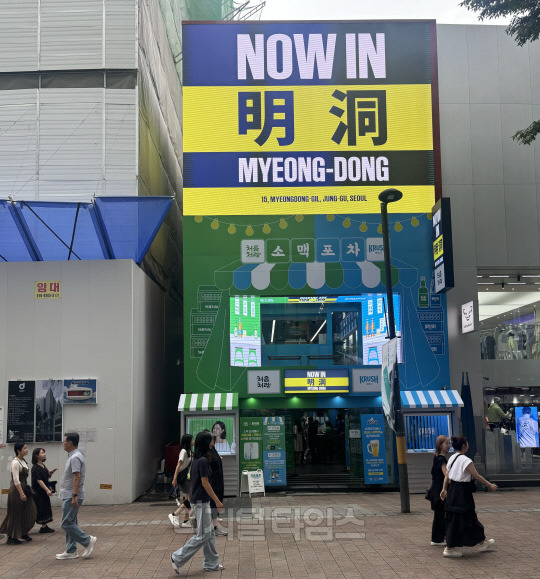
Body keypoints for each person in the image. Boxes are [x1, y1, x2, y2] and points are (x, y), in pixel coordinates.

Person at [171, 431, 224, 574]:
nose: (213, 443)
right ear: (207, 443)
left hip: (200, 500)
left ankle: (211, 563)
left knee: (209, 534)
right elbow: (205, 483)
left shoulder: (198, 459)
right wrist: (217, 501)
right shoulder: (202, 461)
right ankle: (177, 557)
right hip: (201, 501)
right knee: (204, 535)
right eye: (211, 441)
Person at [440, 435, 498, 558]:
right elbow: (476, 476)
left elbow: (447, 475)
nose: (468, 446)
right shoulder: (466, 461)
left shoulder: (452, 458)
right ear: (463, 446)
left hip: (453, 490)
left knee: (465, 517)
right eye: (467, 444)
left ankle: (482, 541)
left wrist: (444, 489)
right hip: (462, 492)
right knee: (463, 517)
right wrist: (489, 485)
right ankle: (449, 548)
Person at [56, 432, 97, 560]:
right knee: (71, 522)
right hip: (69, 494)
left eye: (64, 442)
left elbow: (77, 476)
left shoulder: (75, 457)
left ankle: (87, 540)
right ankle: (71, 550)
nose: (63, 444)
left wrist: (74, 495)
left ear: (69, 443)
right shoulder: (73, 456)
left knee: (66, 523)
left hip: (72, 495)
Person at [0, 442, 37, 545]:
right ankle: (11, 537)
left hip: (25, 489)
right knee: (15, 514)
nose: (27, 450)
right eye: (24, 448)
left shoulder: (23, 461)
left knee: (30, 511)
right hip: (16, 491)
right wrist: (21, 494)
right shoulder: (15, 462)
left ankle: (23, 532)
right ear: (18, 450)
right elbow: (16, 480)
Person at [426, 435, 450, 546]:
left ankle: (441, 536)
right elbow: (446, 474)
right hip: (440, 491)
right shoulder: (441, 459)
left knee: (439, 514)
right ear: (440, 445)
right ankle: (437, 539)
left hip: (434, 490)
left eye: (449, 443)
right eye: (447, 444)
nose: (449, 446)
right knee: (441, 515)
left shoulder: (436, 457)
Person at [169, 434, 195, 529]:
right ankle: (175, 514)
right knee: (190, 499)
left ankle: (186, 520)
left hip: (187, 477)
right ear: (188, 441)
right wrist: (174, 478)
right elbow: (178, 465)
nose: (193, 441)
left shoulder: (189, 452)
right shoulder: (183, 451)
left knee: (189, 499)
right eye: (192, 439)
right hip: (182, 477)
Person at [31, 447, 57, 533]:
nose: (44, 454)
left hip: (43, 492)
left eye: (44, 453)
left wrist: (50, 473)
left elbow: (45, 477)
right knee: (39, 509)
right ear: (36, 456)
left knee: (45, 508)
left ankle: (44, 526)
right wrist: (47, 490)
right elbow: (39, 480)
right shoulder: (35, 467)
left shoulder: (42, 465)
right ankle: (28, 526)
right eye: (42, 453)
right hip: (38, 492)